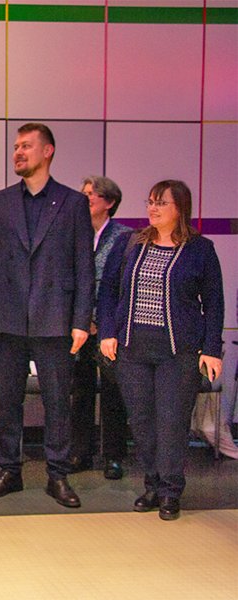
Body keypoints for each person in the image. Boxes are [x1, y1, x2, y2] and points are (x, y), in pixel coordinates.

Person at [0, 123, 94, 508]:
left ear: (48, 151)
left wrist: (81, 320)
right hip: (6, 316)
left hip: (56, 316)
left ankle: (57, 475)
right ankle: (10, 469)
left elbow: (84, 267)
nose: (18, 153)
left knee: (58, 401)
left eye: (26, 146)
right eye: (15, 147)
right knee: (9, 398)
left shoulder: (74, 203)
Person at [98, 180, 223, 520]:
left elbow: (214, 303)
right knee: (141, 421)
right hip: (132, 348)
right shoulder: (129, 243)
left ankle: (170, 490)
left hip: (178, 352)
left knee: (171, 422)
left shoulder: (200, 249)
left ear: (179, 208)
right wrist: (106, 332)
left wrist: (212, 349)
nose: (152, 208)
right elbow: (108, 291)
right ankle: (152, 484)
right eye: (150, 202)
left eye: (161, 203)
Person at [68, 176, 132, 480]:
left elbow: (123, 287)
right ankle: (80, 451)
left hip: (110, 328)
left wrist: (103, 323)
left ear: (109, 202)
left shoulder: (125, 237)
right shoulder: (73, 234)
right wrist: (81, 320)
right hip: (78, 326)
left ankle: (114, 456)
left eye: (91, 195)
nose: (86, 199)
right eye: (84, 194)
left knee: (113, 392)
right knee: (79, 392)